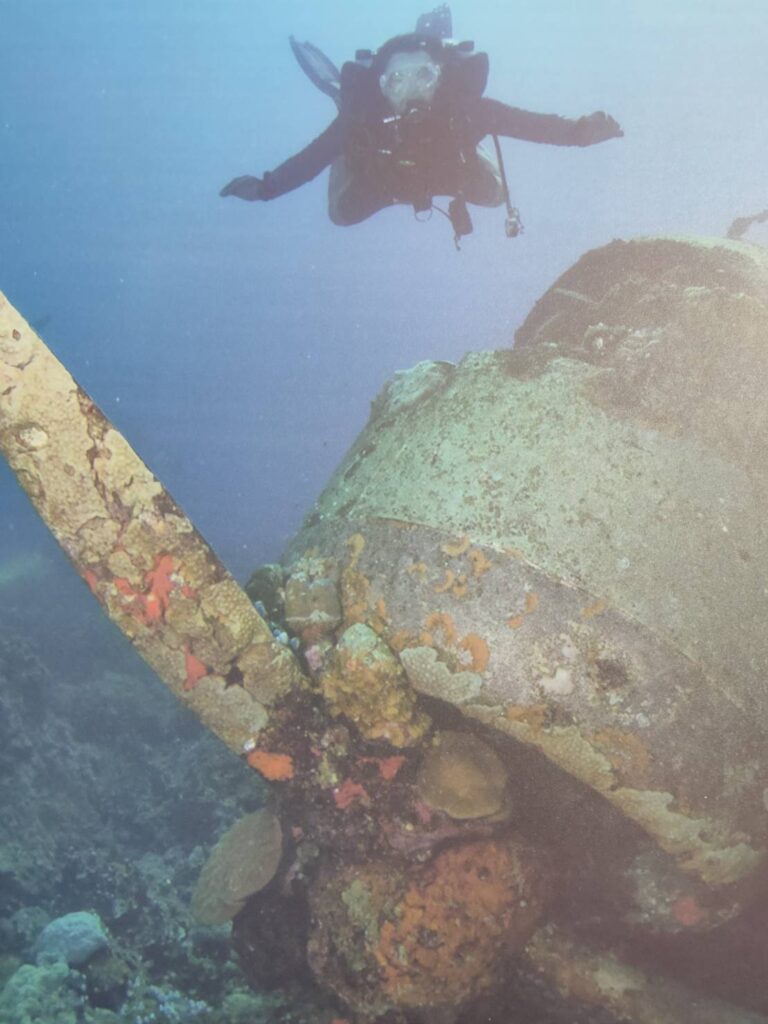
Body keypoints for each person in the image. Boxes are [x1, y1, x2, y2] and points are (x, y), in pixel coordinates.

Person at [220, 7, 622, 239]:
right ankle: (341, 101)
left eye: (423, 76)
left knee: (495, 194)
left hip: (451, 174)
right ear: (380, 87)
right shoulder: (363, 120)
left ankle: (473, 153)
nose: (410, 90)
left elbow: (527, 124)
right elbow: (311, 160)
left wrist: (579, 133)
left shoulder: (466, 110)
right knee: (341, 215)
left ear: (441, 79)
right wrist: (267, 188)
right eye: (396, 79)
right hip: (383, 180)